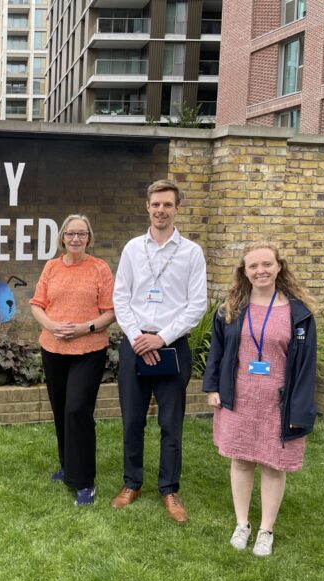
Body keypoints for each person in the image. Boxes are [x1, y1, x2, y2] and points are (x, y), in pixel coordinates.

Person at [203, 241, 317, 557]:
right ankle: (243, 523)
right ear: (245, 271)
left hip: (277, 403)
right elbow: (218, 352)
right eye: (253, 266)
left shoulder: (299, 314)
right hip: (238, 398)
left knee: (272, 465)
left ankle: (265, 529)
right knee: (240, 461)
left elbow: (306, 366)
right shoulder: (231, 308)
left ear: (279, 266)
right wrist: (213, 388)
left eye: (266, 264)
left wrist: (300, 407)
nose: (260, 270)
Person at [111, 179, 207, 522]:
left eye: (167, 204)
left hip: (172, 346)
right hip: (135, 344)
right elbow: (120, 298)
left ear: (177, 208)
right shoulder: (133, 249)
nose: (161, 210)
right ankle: (131, 483)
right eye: (156, 204)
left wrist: (161, 338)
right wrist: (139, 338)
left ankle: (169, 489)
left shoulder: (192, 252)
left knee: (171, 423)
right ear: (147, 207)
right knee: (132, 420)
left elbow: (196, 306)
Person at [30, 214, 116, 506]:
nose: (75, 239)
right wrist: (51, 326)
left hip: (88, 350)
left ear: (89, 238)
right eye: (70, 234)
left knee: (78, 410)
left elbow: (110, 311)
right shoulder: (51, 267)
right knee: (60, 409)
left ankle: (84, 482)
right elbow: (36, 305)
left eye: (81, 234)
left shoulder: (99, 269)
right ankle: (67, 465)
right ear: (62, 238)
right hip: (52, 349)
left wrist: (85, 328)